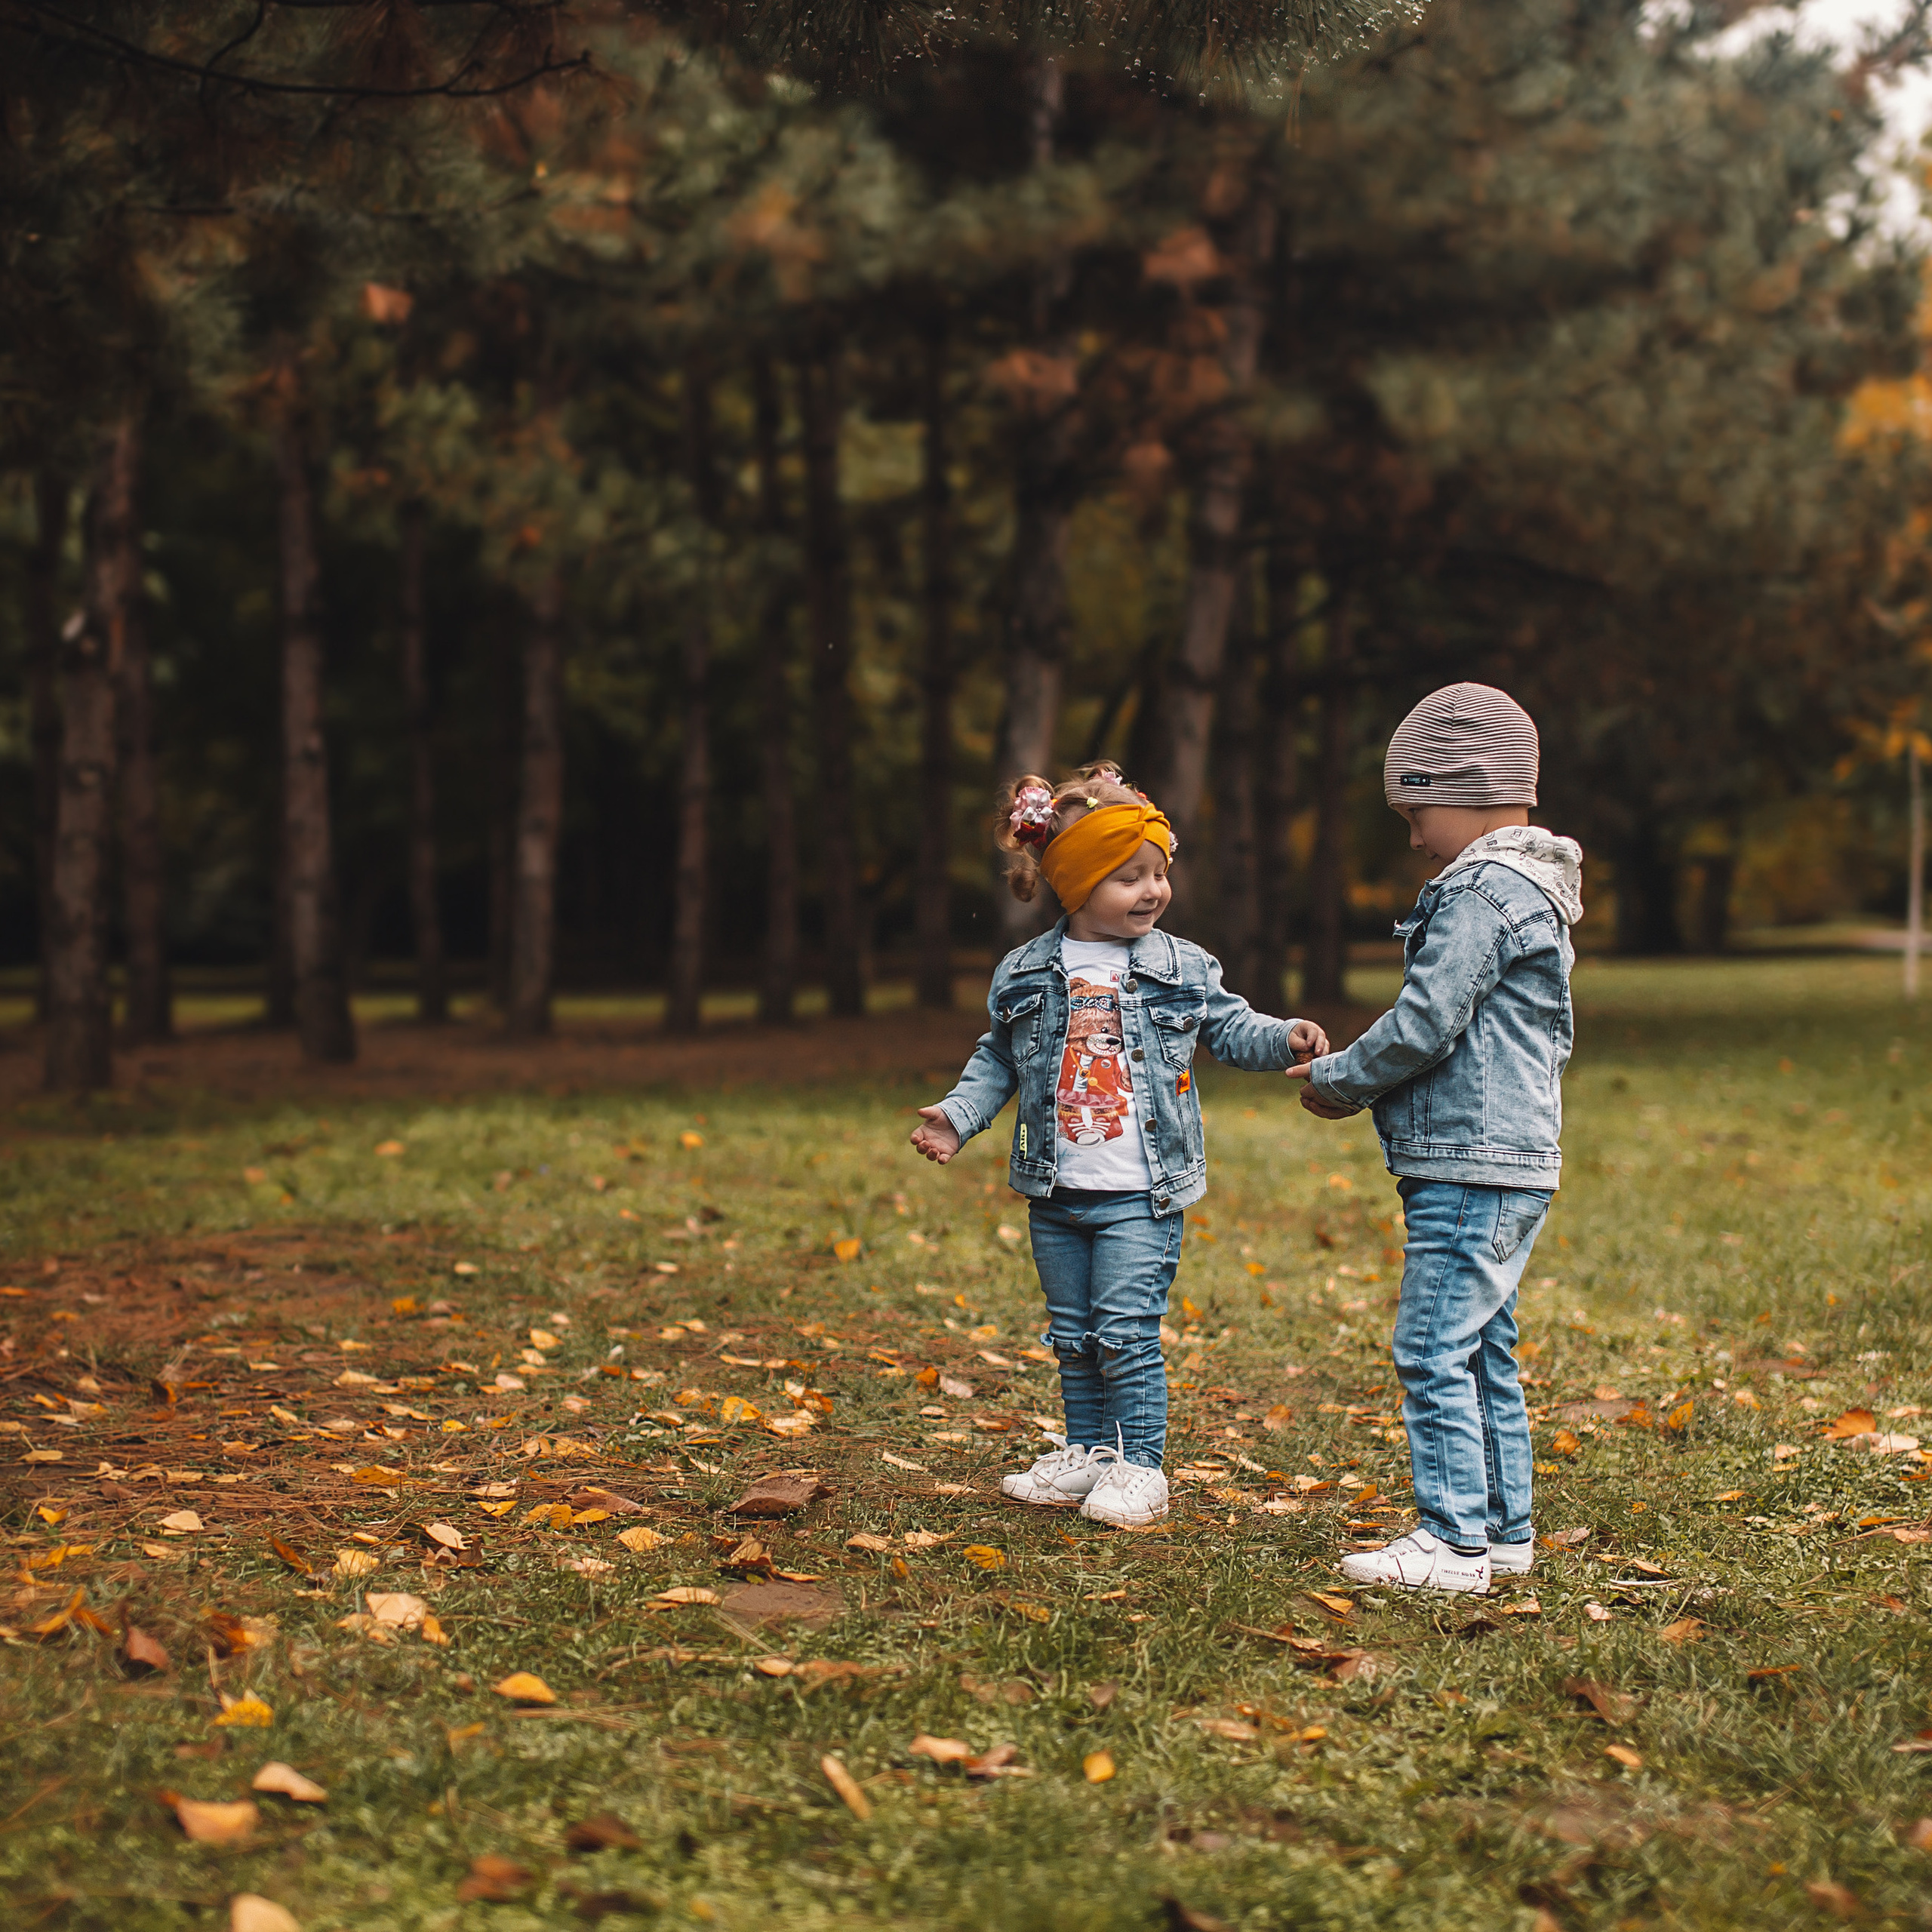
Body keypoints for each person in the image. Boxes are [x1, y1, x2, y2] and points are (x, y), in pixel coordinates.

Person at [909, 764, 1328, 1528]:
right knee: (1073, 1335)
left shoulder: (1180, 966)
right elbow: (997, 1057)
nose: (1152, 890)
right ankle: (1089, 1452)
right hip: (1057, 1190)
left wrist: (1283, 1037)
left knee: (1125, 1330)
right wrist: (958, 1116)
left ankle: (1141, 1468)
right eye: (1128, 876)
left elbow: (1229, 1027)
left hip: (1142, 1192)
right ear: (1075, 882)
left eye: (1159, 873)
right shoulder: (1028, 970)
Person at [1287, 684, 1582, 1595]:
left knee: (1429, 1346)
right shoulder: (1527, 889)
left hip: (1472, 1162)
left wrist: (1338, 1083)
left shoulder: (1483, 893)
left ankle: (1451, 1541)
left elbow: (1425, 1021)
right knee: (1482, 1343)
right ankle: (1502, 1531)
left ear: (1461, 786)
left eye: (1416, 814)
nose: (1414, 838)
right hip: (1504, 1161)